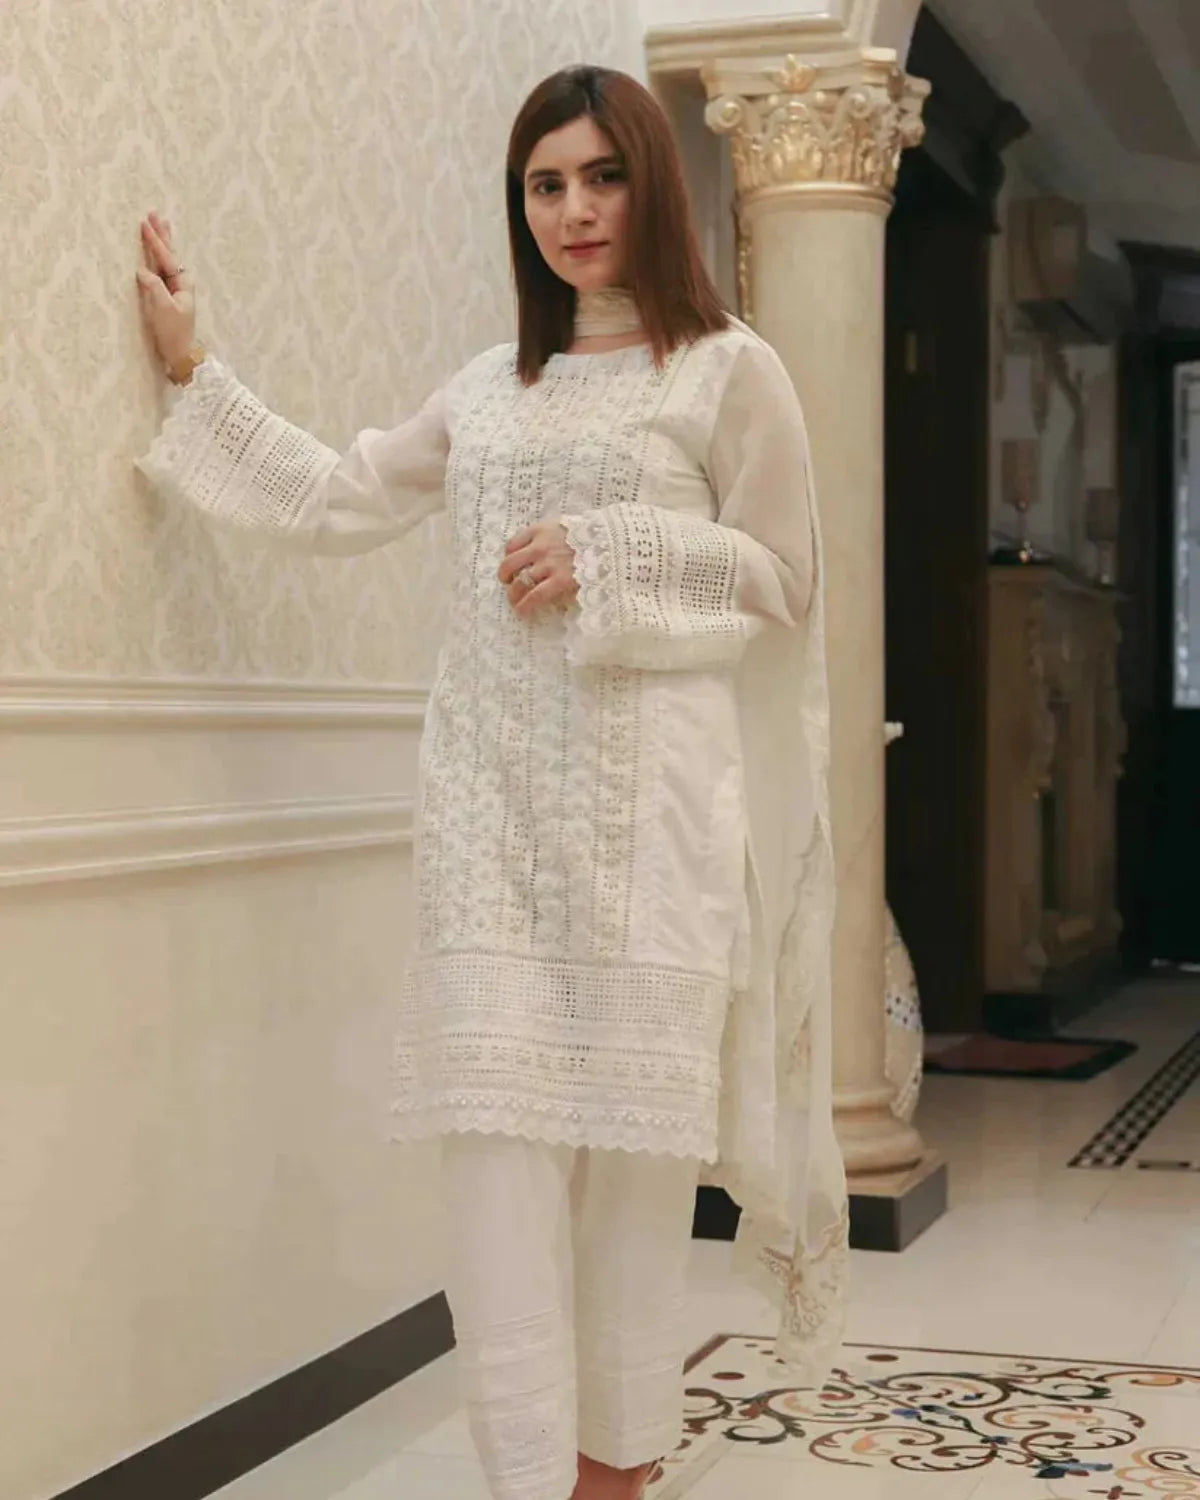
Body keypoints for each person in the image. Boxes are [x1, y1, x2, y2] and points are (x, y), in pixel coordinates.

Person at [134, 64, 846, 1500]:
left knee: (632, 1195)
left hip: (653, 833)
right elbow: (342, 492)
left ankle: (618, 1474)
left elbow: (784, 576)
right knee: (496, 1191)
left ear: (652, 184)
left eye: (602, 177)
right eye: (544, 184)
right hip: (489, 827)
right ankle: (527, 1478)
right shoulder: (488, 389)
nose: (574, 212)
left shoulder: (724, 368)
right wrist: (192, 370)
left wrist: (617, 553)